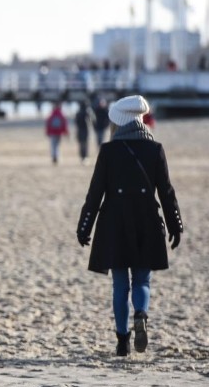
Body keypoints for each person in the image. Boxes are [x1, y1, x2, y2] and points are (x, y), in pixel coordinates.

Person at [76, 95, 183, 357]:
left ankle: (122, 340)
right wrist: (175, 225)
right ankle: (141, 314)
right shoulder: (155, 149)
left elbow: (95, 193)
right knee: (142, 279)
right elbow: (166, 192)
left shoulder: (108, 151)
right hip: (147, 220)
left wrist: (85, 226)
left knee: (120, 284)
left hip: (115, 223)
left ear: (119, 122)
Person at [75, 99, 95, 164]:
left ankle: (82, 157)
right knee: (85, 144)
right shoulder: (87, 112)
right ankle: (85, 157)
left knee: (81, 145)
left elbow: (76, 122)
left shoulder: (78, 113)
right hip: (85, 130)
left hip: (80, 130)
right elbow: (92, 120)